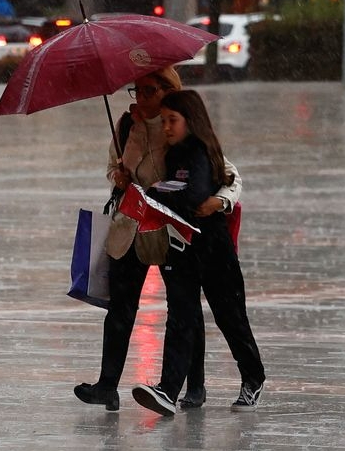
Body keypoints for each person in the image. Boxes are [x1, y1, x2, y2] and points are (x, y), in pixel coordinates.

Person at [74, 66, 243, 411]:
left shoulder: (183, 128)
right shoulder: (125, 126)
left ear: (168, 90)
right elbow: (112, 167)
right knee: (120, 308)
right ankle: (107, 385)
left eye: (149, 90)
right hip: (130, 226)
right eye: (137, 90)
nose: (142, 98)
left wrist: (220, 201)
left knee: (184, 309)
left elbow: (228, 174)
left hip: (171, 231)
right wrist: (117, 177)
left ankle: (194, 385)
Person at [131, 89, 265, 416]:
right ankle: (168, 389)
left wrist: (158, 196)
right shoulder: (173, 154)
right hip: (181, 249)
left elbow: (195, 194)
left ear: (191, 121)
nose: (166, 127)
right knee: (181, 318)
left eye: (172, 120)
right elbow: (173, 192)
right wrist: (153, 193)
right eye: (163, 121)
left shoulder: (202, 151)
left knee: (230, 317)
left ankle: (253, 377)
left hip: (214, 250)